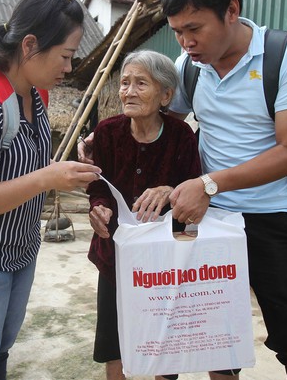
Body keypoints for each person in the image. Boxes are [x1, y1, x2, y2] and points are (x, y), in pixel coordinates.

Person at [80, 0, 287, 380]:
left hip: (272, 218)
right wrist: (104, 143)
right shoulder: (190, 67)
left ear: (231, 10)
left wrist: (208, 183)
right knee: (191, 333)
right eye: (178, 31)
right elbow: (158, 122)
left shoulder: (285, 56)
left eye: (194, 29)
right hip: (203, 218)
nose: (185, 41)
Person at [0, 0, 102, 380]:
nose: (69, 66)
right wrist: (48, 177)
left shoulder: (35, 97)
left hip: (19, 250)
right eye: (65, 55)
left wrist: (68, 168)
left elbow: (22, 167)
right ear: (30, 45)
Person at [86, 50, 202, 380]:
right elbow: (98, 185)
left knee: (163, 345)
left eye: (141, 83)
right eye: (125, 83)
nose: (129, 91)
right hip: (116, 257)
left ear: (166, 94)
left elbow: (192, 195)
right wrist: (99, 207)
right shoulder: (108, 132)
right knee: (115, 345)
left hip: (163, 263)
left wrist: (170, 190)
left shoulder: (182, 138)